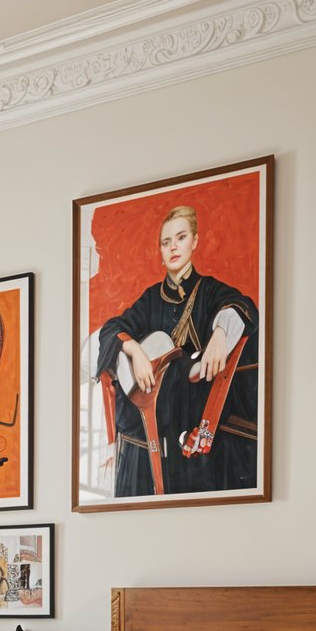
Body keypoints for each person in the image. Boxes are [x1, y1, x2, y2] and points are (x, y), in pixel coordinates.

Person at [95, 205, 259, 496]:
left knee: (208, 360)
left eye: (180, 238)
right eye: (166, 242)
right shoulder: (150, 299)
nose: (173, 248)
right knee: (171, 364)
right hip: (154, 405)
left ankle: (189, 374)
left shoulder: (209, 290)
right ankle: (186, 370)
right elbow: (112, 329)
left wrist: (221, 333)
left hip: (197, 404)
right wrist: (135, 350)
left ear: (194, 241)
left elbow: (243, 307)